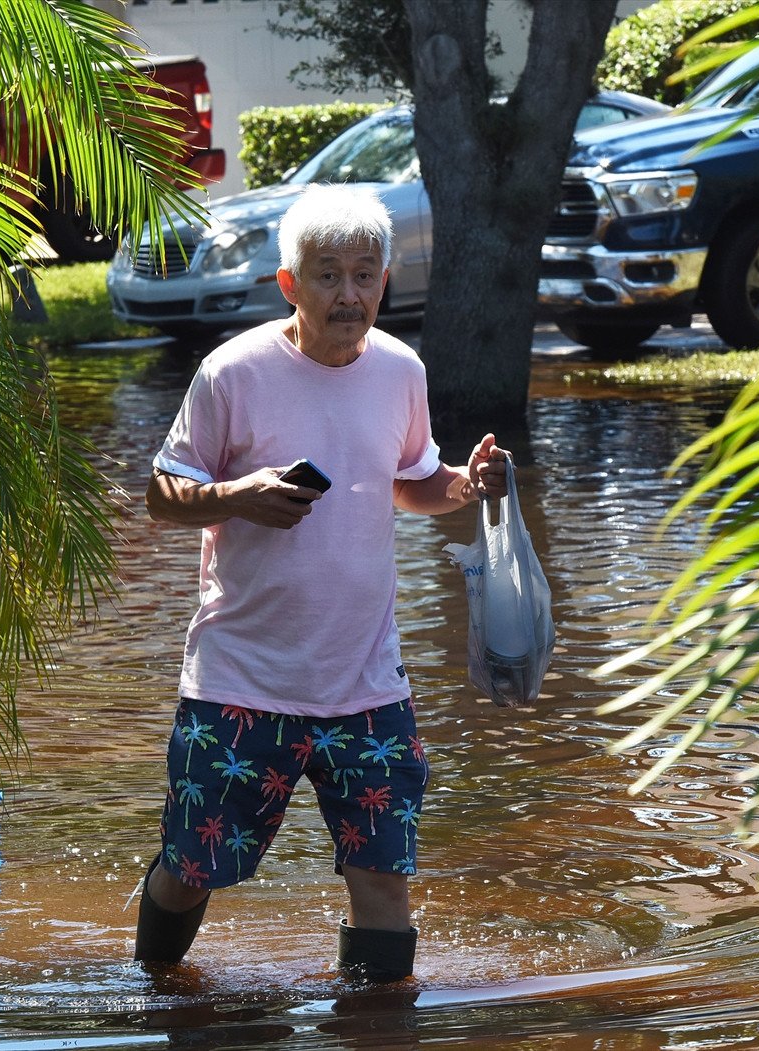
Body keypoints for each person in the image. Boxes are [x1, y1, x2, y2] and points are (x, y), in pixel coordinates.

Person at [133, 184, 510, 982]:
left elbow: (411, 480)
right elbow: (163, 494)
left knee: (383, 880)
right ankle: (154, 998)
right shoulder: (232, 372)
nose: (349, 294)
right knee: (192, 868)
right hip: (241, 682)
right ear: (289, 283)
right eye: (328, 275)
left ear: (384, 281)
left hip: (368, 686)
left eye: (364, 275)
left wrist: (466, 486)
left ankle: (375, 1029)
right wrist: (239, 495)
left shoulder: (401, 370)